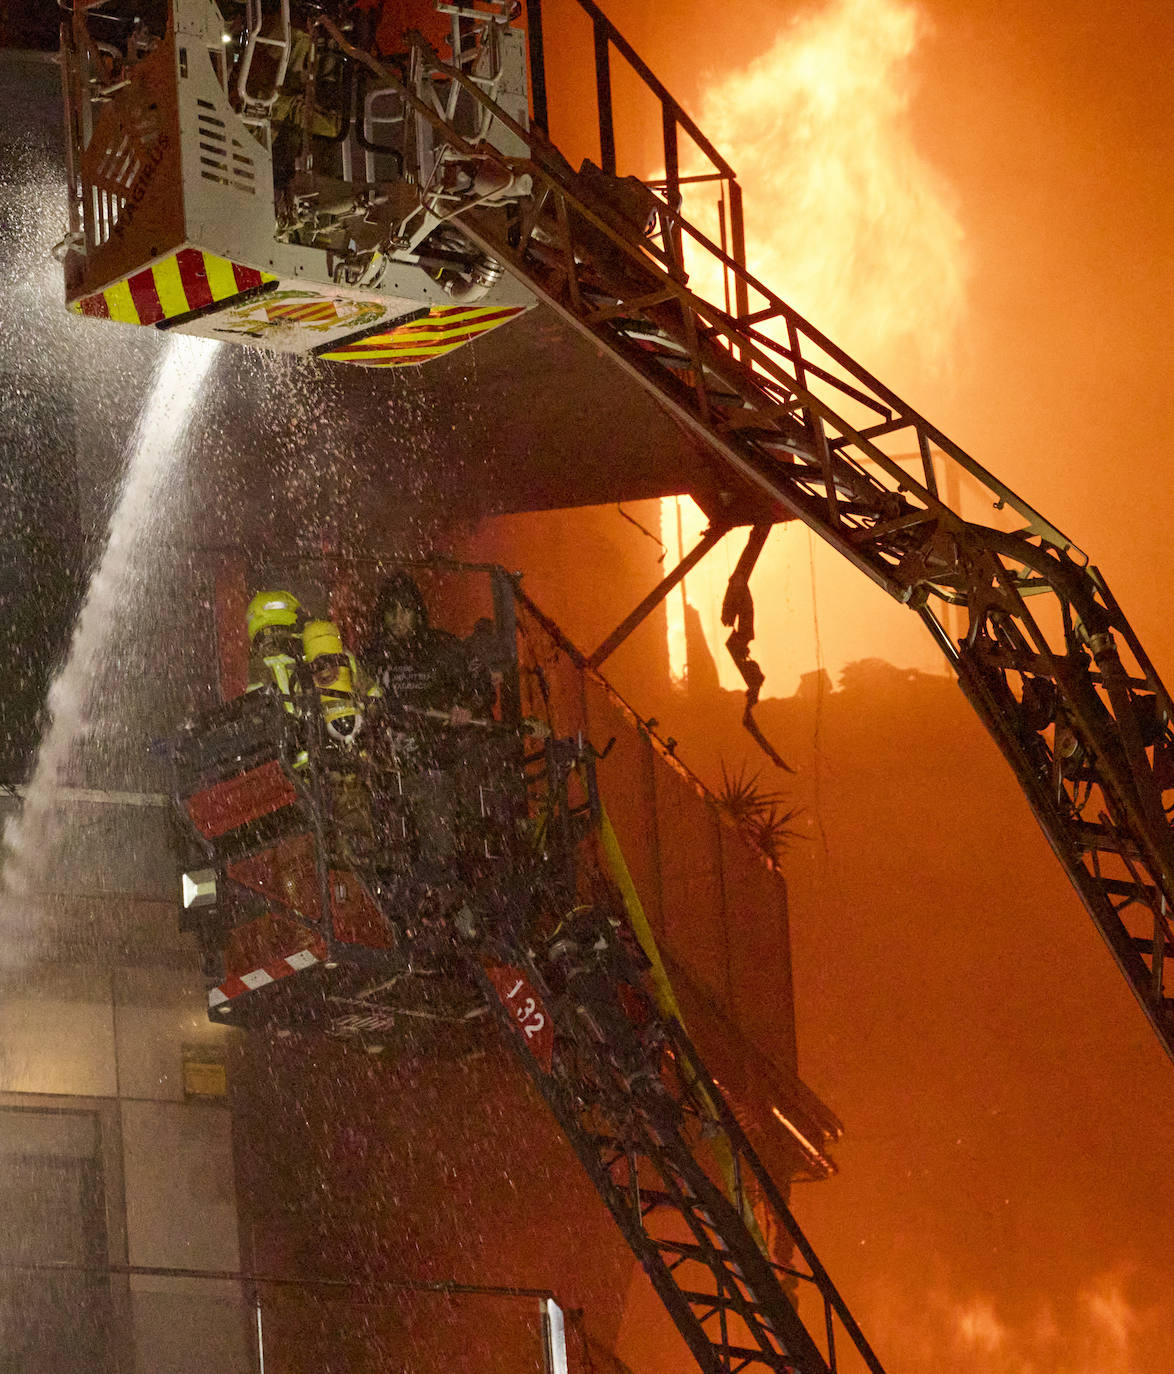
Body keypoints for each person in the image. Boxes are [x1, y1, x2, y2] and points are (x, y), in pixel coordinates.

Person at [366, 571, 495, 729]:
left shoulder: (441, 646)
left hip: (443, 742)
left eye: (406, 609)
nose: (397, 618)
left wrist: (466, 707)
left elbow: (482, 683)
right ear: (382, 613)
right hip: (392, 745)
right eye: (391, 609)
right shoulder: (372, 655)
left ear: (417, 613)